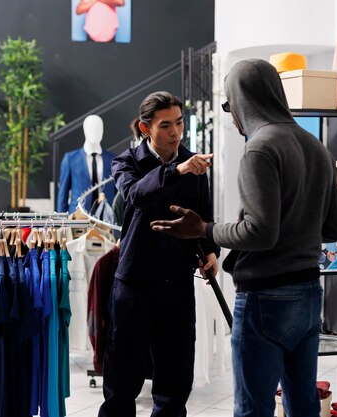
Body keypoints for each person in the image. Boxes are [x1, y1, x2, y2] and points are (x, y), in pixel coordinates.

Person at [151, 59, 337, 417]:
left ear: (243, 100)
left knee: (253, 408)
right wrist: (297, 227)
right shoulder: (316, 146)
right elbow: (335, 230)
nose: (230, 115)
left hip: (264, 298)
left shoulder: (259, 148)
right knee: (303, 403)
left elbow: (259, 232)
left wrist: (204, 229)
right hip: (308, 293)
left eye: (228, 105)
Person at [98, 91, 219, 417]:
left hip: (177, 284)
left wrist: (209, 251)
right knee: (122, 384)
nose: (175, 132)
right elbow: (136, 195)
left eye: (179, 123)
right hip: (134, 285)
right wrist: (177, 171)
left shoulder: (195, 163)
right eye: (166, 125)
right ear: (145, 127)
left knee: (174, 385)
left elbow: (203, 215)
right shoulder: (126, 162)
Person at [56, 115, 116, 214]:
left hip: (106, 217)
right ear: (85, 130)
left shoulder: (112, 159)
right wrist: (62, 221)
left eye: (98, 128)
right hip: (78, 216)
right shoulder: (71, 159)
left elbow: (118, 193)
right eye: (91, 128)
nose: (95, 132)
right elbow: (63, 193)